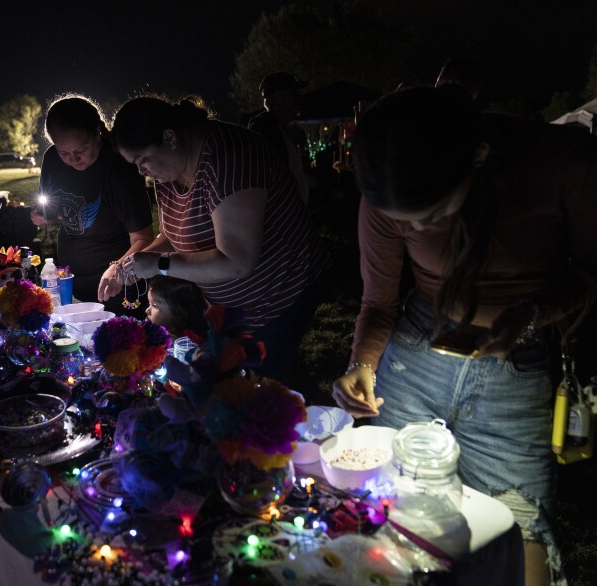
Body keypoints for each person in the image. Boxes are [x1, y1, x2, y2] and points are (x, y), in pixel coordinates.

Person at [331, 86, 597, 585]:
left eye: (431, 215)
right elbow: (378, 303)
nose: (419, 228)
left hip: (517, 370)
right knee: (384, 506)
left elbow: (590, 272)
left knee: (517, 532)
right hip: (415, 357)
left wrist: (534, 313)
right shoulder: (385, 194)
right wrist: (361, 364)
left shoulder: (563, 161)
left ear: (477, 159)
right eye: (405, 223)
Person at [110, 95, 330, 383]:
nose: (140, 171)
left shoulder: (229, 158)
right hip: (230, 305)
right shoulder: (169, 170)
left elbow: (237, 261)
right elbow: (174, 234)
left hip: (281, 290)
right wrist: (132, 264)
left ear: (170, 137)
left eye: (142, 160)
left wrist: (159, 264)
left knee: (263, 387)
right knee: (229, 382)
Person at [31, 95, 154, 316]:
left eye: (80, 150)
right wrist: (43, 215)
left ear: (98, 133)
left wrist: (118, 269)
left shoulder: (119, 167)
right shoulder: (52, 159)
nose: (72, 159)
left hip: (117, 287)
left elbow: (144, 239)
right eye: (64, 152)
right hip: (72, 283)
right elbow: (53, 209)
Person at [247, 71, 310, 205]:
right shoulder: (263, 127)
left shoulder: (280, 129)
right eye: (294, 93)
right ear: (277, 99)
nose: (299, 97)